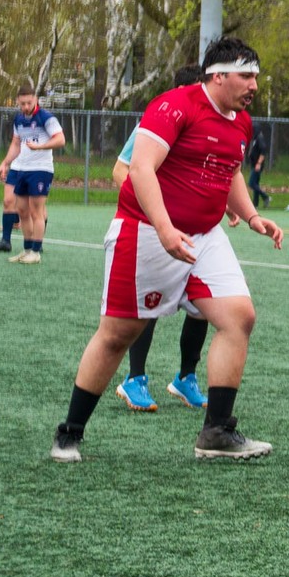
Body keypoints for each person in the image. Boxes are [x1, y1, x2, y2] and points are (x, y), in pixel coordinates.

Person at [52, 38, 285, 463]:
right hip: (145, 232)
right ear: (219, 75)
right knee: (118, 334)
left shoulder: (241, 122)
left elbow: (229, 172)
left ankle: (216, 431)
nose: (254, 84)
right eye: (246, 75)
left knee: (239, 317)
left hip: (205, 235)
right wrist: (163, 229)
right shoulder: (174, 105)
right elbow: (140, 168)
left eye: (255, 76)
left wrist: (252, 216)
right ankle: (70, 431)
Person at [110, 66, 211, 414]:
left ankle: (186, 378)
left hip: (194, 229)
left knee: (204, 305)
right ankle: (134, 379)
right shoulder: (155, 122)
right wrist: (153, 209)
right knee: (148, 305)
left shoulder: (209, 126)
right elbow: (122, 169)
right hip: (155, 229)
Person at [0, 80, 64, 263]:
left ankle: (36, 252)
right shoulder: (19, 119)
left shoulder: (46, 118)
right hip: (22, 169)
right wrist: (5, 163)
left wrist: (41, 147)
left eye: (29, 103)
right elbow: (16, 144)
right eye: (22, 103)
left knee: (35, 211)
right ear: (17, 102)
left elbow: (60, 140)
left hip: (40, 170)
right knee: (22, 211)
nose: (26, 107)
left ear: (35, 100)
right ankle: (27, 249)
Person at [245, 122, 272, 209]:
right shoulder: (256, 139)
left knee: (251, 183)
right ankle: (255, 204)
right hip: (254, 164)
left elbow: (263, 151)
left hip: (257, 165)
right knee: (255, 183)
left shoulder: (260, 138)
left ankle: (265, 197)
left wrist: (258, 163)